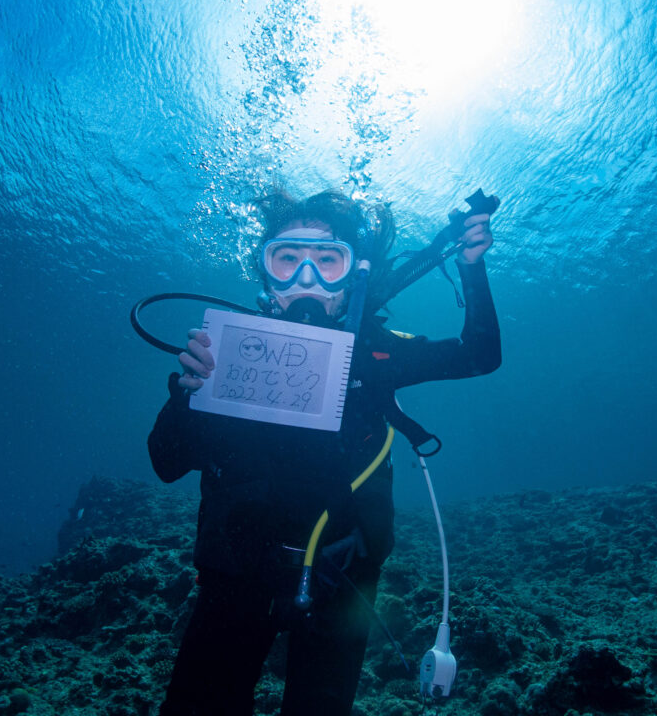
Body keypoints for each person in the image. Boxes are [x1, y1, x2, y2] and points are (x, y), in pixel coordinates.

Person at [148, 190, 501, 715]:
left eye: (326, 261)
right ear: (266, 277)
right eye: (287, 260)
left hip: (343, 582)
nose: (306, 280)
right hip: (235, 579)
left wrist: (472, 268)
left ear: (352, 276)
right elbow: (166, 463)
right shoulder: (228, 357)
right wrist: (185, 395)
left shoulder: (376, 354)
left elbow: (479, 355)